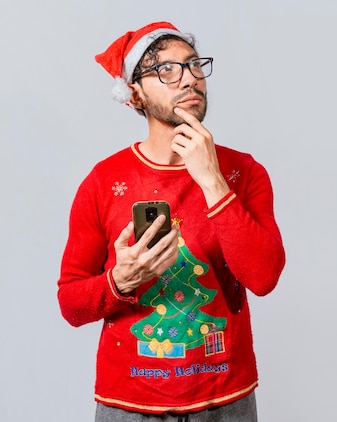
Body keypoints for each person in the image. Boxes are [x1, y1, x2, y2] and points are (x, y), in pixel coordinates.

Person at [57, 21, 286, 421]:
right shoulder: (102, 182)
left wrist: (212, 180)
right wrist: (119, 281)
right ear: (134, 94)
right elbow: (71, 304)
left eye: (194, 65)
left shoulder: (243, 172)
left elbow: (264, 277)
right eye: (167, 70)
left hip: (225, 401)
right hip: (129, 404)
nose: (189, 79)